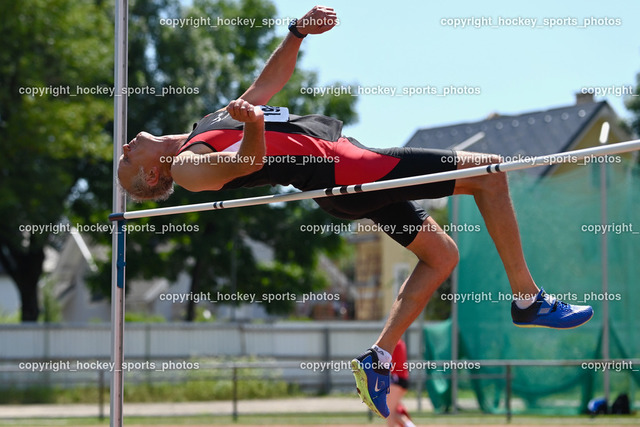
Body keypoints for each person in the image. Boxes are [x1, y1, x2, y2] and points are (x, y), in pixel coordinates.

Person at [117, 5, 594, 419]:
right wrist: (256, 128)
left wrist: (296, 34)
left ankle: (378, 357)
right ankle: (529, 300)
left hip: (346, 167)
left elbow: (265, 86)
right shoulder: (185, 168)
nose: (124, 145)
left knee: (442, 255)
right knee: (489, 174)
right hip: (344, 172)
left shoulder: (204, 124)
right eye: (125, 163)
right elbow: (245, 160)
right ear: (154, 178)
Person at [387, 339, 416, 427]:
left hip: (397, 379)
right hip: (402, 379)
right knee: (394, 410)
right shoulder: (400, 342)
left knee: (389, 412)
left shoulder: (394, 343)